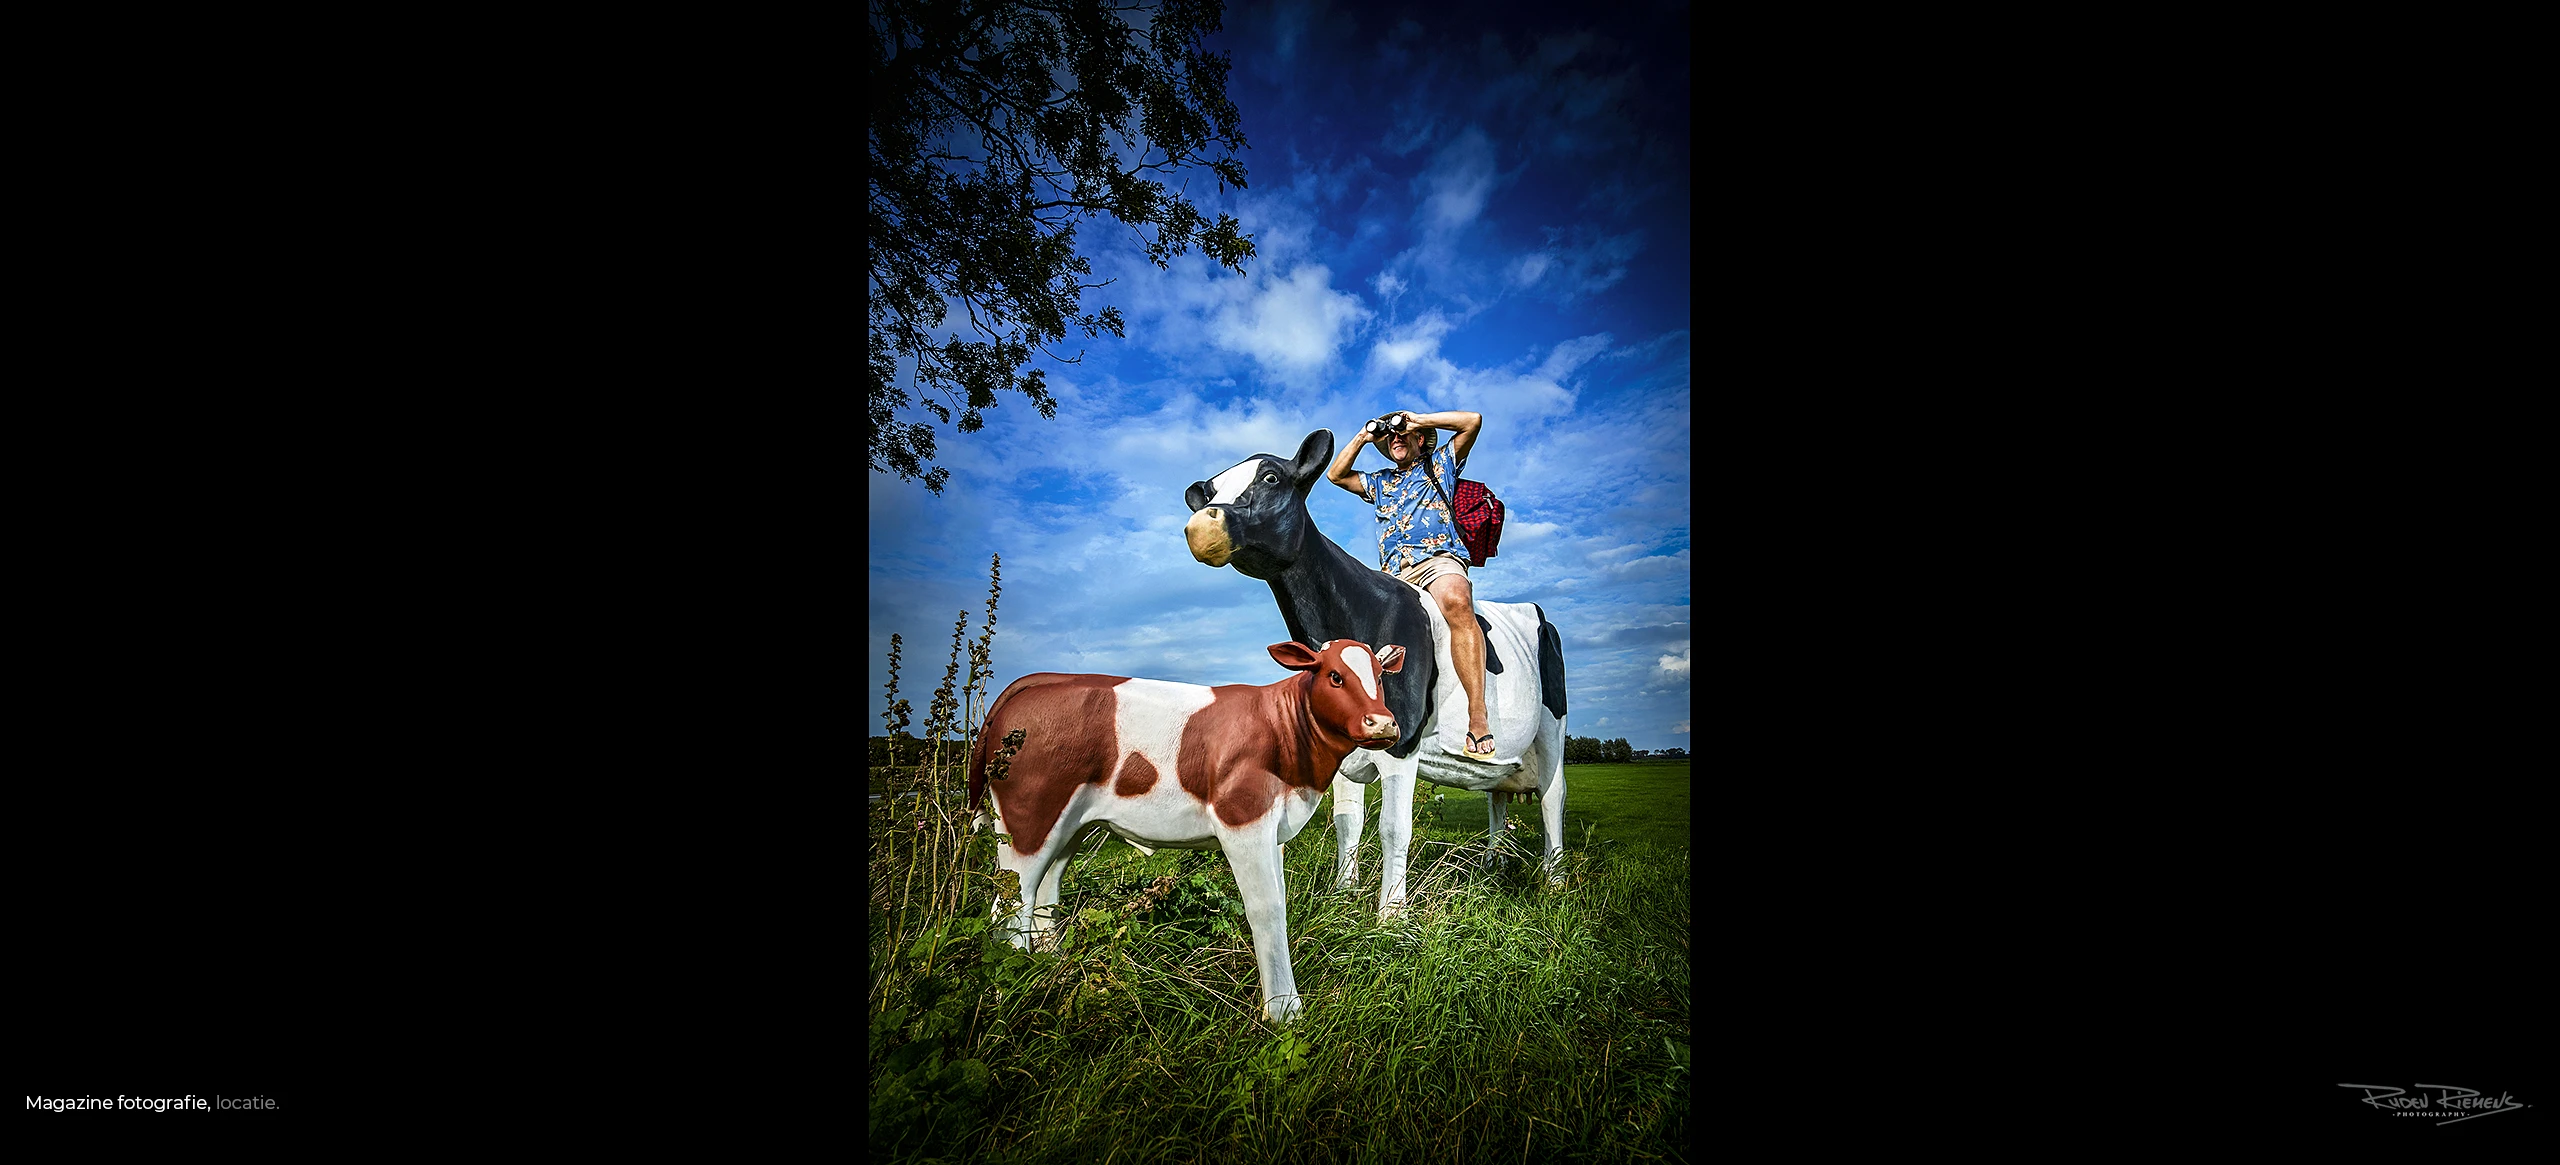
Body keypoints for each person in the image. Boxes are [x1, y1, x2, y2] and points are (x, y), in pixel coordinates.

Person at [1325, 409, 1496, 760]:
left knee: (1456, 600)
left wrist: (1417, 420)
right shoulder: (1381, 482)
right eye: (1391, 437)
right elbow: (1335, 475)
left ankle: (1477, 713)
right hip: (1394, 573)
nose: (1396, 438)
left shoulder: (1440, 465)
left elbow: (1472, 421)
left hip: (1437, 560)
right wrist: (1363, 436)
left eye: (1404, 434)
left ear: (1420, 439)